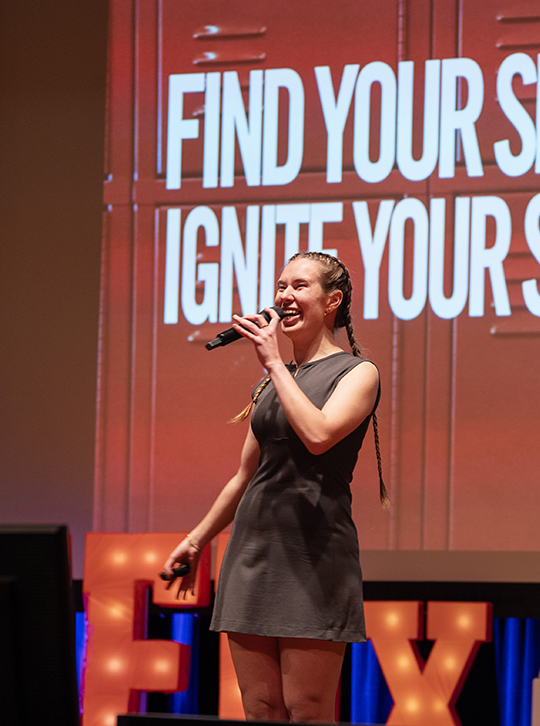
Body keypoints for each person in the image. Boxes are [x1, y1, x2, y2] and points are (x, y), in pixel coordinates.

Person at [163, 251, 388, 723]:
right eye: (281, 285)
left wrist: (274, 364)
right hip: (253, 555)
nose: (284, 295)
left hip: (314, 554)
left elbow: (320, 434)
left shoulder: (357, 373)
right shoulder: (269, 385)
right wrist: (196, 541)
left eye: (299, 286)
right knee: (261, 708)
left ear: (332, 301)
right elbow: (246, 476)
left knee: (306, 709)